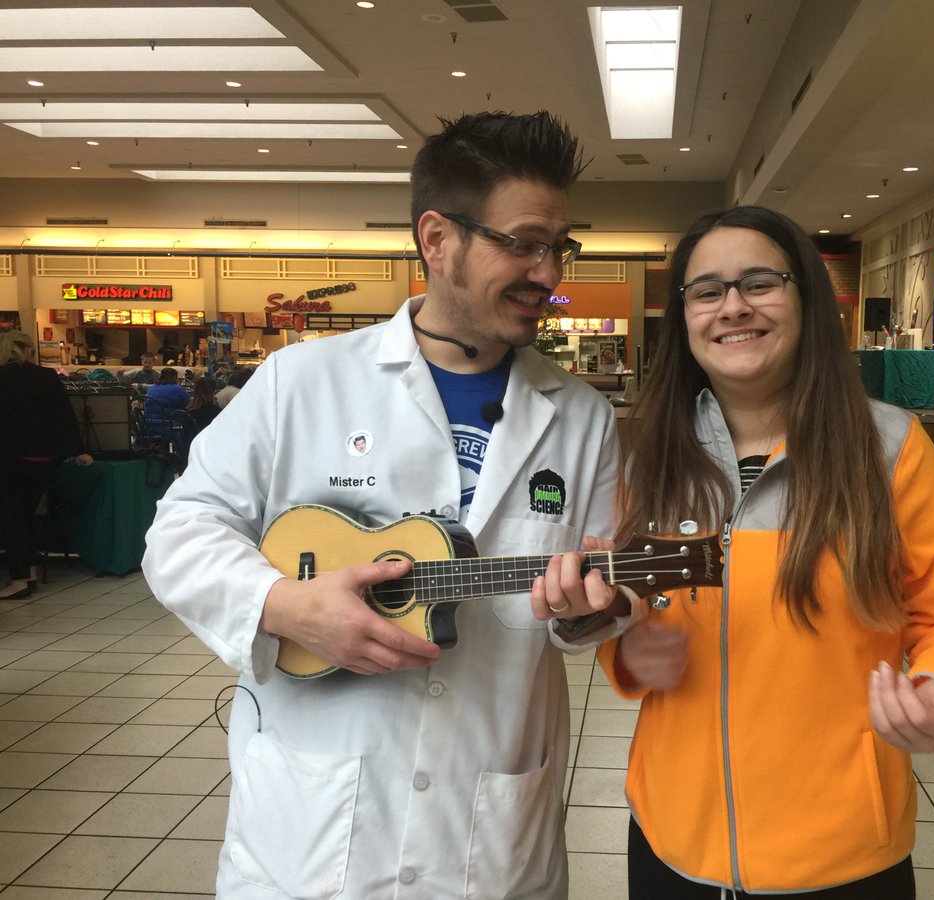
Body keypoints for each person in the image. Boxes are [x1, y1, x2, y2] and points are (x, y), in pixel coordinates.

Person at [141, 110, 623, 899]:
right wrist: (285, 606)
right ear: (437, 239)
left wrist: (587, 613)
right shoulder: (302, 383)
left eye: (558, 248)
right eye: (524, 243)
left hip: (488, 822)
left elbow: (592, 605)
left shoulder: (582, 418)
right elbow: (180, 531)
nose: (548, 274)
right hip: (312, 824)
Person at [536, 206, 934, 899]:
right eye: (707, 291)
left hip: (843, 854)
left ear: (805, 298)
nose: (733, 307)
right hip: (673, 843)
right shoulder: (654, 457)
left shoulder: (890, 451)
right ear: (685, 316)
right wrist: (621, 647)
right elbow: (631, 602)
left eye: (759, 283)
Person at [0, 330, 93, 600]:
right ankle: (29, 573)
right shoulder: (47, 376)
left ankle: (19, 580)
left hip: (10, 458)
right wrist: (79, 451)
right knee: (30, 515)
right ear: (30, 349)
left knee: (13, 518)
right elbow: (65, 415)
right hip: (44, 459)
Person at [141, 366, 190, 440]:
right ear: (175, 377)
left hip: (148, 424)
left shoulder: (152, 388)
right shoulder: (177, 389)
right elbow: (189, 404)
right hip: (168, 425)